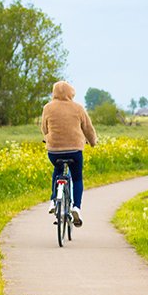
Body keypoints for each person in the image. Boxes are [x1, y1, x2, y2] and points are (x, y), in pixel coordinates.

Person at [40, 80, 98, 226]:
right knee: (77, 178)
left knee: (57, 170)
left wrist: (47, 138)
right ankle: (76, 207)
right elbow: (88, 129)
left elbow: (44, 128)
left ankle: (54, 201)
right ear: (71, 92)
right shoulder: (78, 108)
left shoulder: (47, 108)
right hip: (75, 151)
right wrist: (92, 142)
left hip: (54, 151)